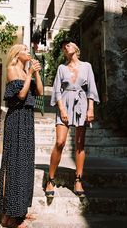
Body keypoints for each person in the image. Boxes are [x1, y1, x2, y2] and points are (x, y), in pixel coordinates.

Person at [45, 40, 99, 198]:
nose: (65, 47)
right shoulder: (62, 68)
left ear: (76, 48)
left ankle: (78, 180)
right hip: (65, 102)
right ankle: (50, 179)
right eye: (63, 46)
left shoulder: (87, 66)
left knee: (80, 144)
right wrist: (61, 109)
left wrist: (91, 108)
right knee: (60, 142)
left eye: (68, 44)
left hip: (82, 103)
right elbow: (56, 90)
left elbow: (91, 89)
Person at [0, 44, 43, 228]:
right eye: (25, 50)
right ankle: (9, 215)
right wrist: (30, 74)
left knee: (25, 164)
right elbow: (22, 95)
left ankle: (20, 211)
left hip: (27, 119)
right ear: (17, 54)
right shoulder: (11, 69)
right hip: (16, 118)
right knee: (14, 164)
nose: (28, 52)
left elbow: (39, 92)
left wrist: (36, 72)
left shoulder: (27, 72)